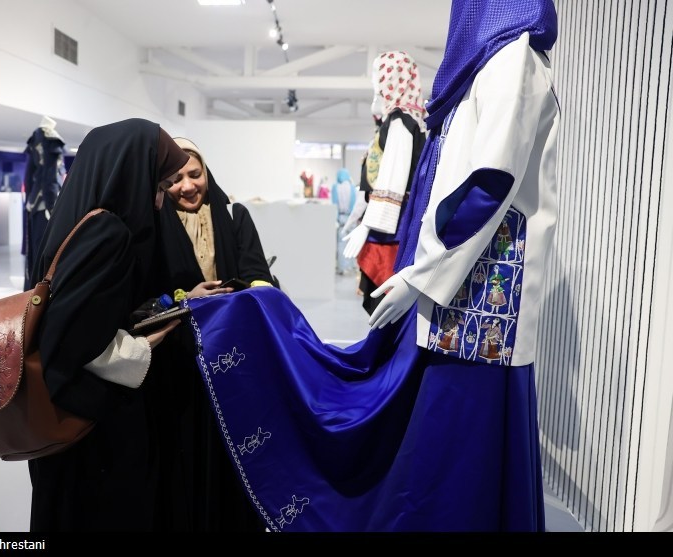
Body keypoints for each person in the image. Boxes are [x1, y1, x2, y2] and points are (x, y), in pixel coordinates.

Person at [175, 0, 558, 531]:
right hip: (455, 291)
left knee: (461, 448)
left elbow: (488, 182)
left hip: (478, 302)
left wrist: (419, 275)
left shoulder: (511, 61)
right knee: (446, 449)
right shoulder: (488, 68)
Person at [27, 118, 191, 531]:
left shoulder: (73, 220)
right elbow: (73, 340)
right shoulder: (108, 232)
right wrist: (145, 345)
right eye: (158, 186)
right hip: (93, 433)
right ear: (131, 172)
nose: (160, 202)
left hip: (63, 427)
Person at [144, 136, 274, 531]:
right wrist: (185, 298)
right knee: (185, 450)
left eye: (195, 174)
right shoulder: (152, 226)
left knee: (232, 450)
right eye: (174, 179)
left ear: (207, 172)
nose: (187, 186)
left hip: (231, 359)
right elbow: (146, 293)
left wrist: (245, 291)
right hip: (177, 364)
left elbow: (258, 274)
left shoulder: (234, 215)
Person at [342, 50, 428, 316]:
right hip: (391, 224)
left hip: (390, 229)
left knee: (384, 302)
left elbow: (393, 178)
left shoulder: (401, 121)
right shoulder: (409, 120)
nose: (377, 89)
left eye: (378, 81)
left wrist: (367, 225)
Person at [23, 115, 66, 290]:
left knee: (35, 249)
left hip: (34, 204)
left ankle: (34, 287)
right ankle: (44, 288)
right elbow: (50, 177)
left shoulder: (35, 138)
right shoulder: (50, 140)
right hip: (46, 205)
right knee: (47, 249)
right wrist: (51, 206)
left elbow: (30, 177)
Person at [330, 168, 356, 275]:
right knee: (351, 243)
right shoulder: (352, 187)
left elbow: (334, 204)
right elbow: (354, 205)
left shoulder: (335, 187)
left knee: (341, 244)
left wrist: (336, 218)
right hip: (351, 218)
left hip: (341, 218)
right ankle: (351, 266)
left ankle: (342, 267)